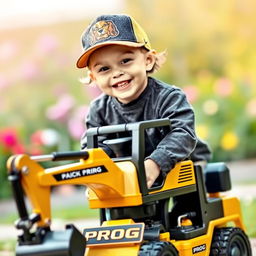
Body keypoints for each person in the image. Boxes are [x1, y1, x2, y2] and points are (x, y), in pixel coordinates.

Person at [76, 14, 211, 188]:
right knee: (118, 205)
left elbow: (183, 134)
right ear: (93, 77)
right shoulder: (98, 109)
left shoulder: (169, 97)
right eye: (104, 69)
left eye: (125, 61)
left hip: (185, 164)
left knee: (186, 200)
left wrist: (156, 162)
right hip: (134, 173)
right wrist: (99, 165)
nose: (116, 73)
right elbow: (94, 145)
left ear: (148, 61)